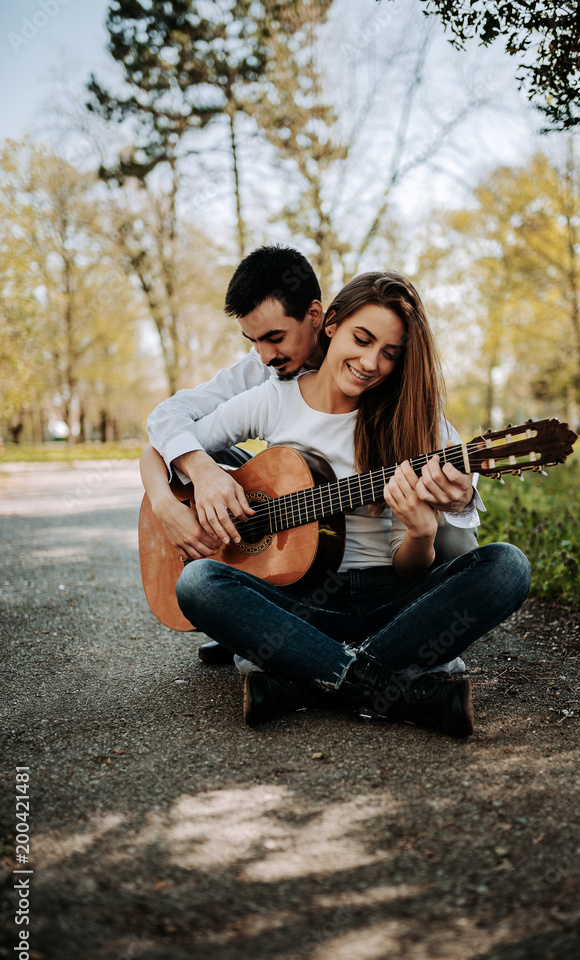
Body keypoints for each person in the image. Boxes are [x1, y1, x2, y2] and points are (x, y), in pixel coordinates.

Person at [161, 272, 531, 737]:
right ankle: (388, 683)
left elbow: (407, 566)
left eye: (389, 353)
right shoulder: (273, 400)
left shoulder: (413, 423)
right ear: (330, 323)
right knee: (198, 582)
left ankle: (304, 680)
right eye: (362, 338)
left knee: (508, 565)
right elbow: (170, 443)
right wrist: (199, 477)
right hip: (304, 602)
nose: (370, 362)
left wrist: (420, 532)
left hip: (391, 602)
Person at [144, 246, 480, 665]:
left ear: (319, 317)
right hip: (301, 539)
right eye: (254, 341)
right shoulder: (266, 377)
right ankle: (271, 614)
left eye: (275, 337)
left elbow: (445, 448)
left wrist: (460, 495)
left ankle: (301, 651)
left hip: (385, 564)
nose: (266, 355)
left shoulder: (393, 383)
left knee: (458, 534)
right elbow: (167, 424)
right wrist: (179, 490)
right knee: (221, 473)